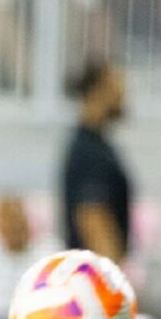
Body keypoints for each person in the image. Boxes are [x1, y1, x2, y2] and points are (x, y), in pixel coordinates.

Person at [60, 58, 132, 264]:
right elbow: (93, 219)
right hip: (93, 280)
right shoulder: (89, 152)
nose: (123, 93)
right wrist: (113, 283)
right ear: (98, 90)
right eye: (116, 84)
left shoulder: (97, 146)